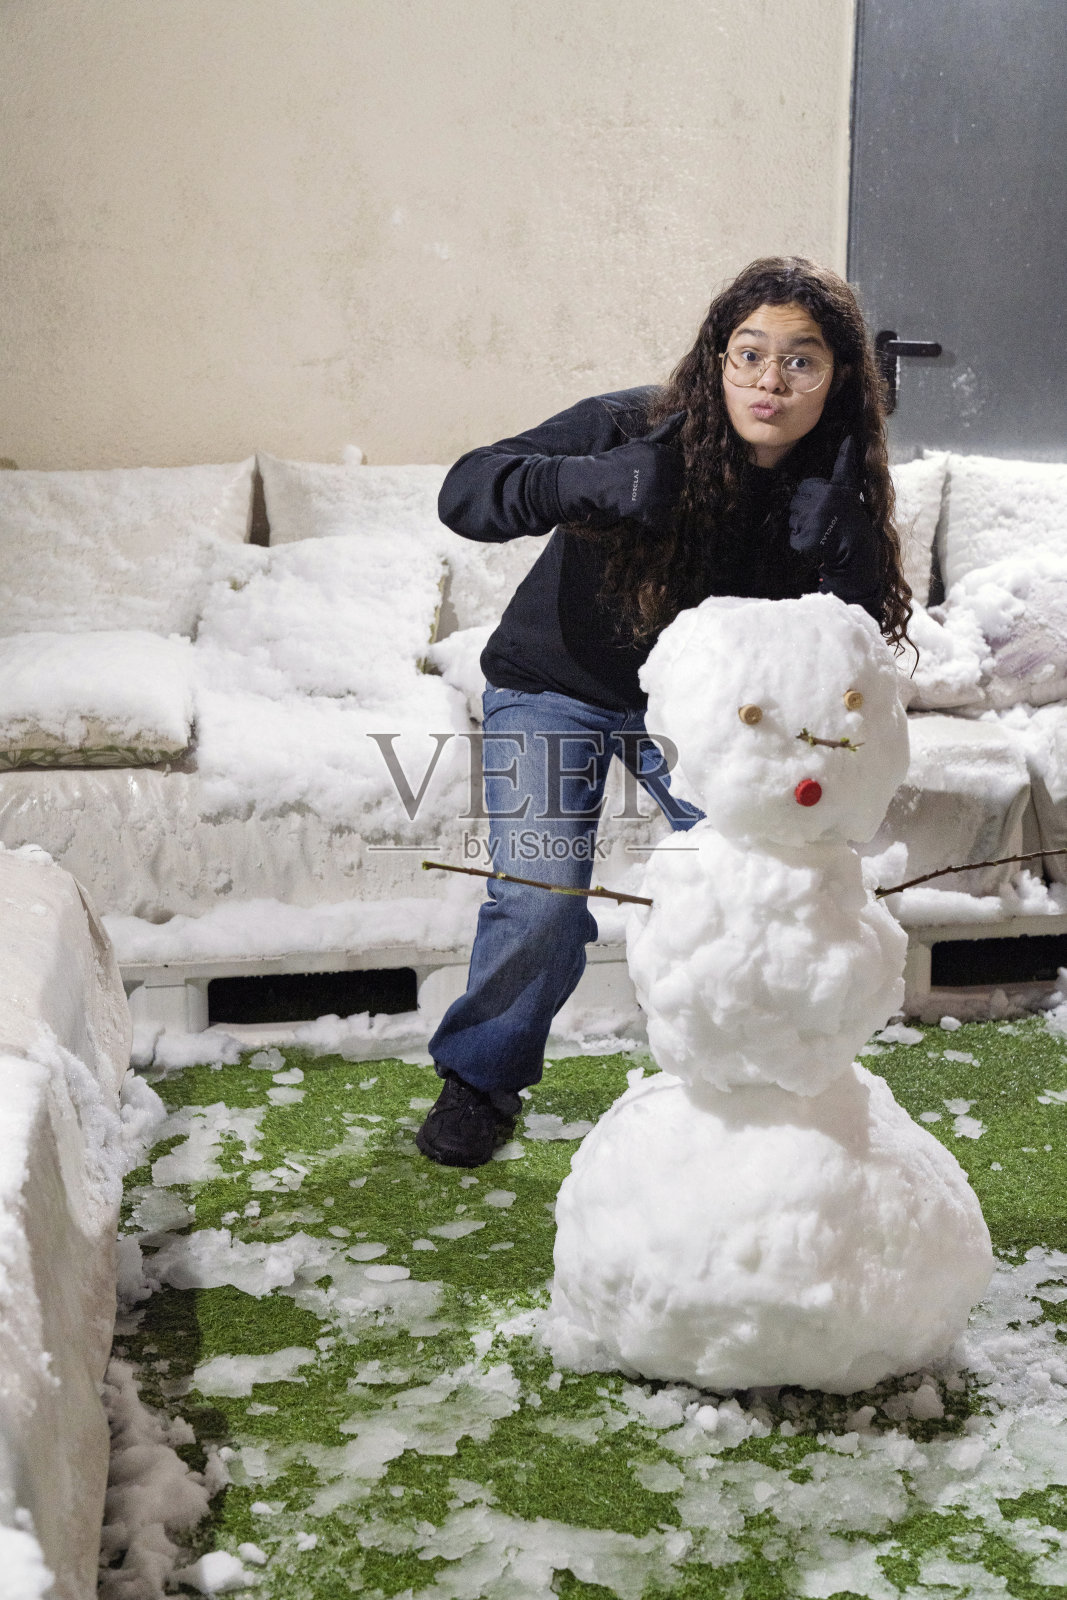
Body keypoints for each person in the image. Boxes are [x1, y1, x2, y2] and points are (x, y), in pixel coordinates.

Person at [415, 254, 912, 1168]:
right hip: (554, 688)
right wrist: (590, 483)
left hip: (700, 719)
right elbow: (467, 492)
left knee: (763, 882)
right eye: (749, 353)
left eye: (800, 361)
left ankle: (754, 1078)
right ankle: (480, 1079)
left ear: (837, 378)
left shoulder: (836, 476)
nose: (769, 380)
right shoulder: (632, 423)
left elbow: (847, 652)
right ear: (718, 357)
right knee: (539, 900)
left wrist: (846, 553)